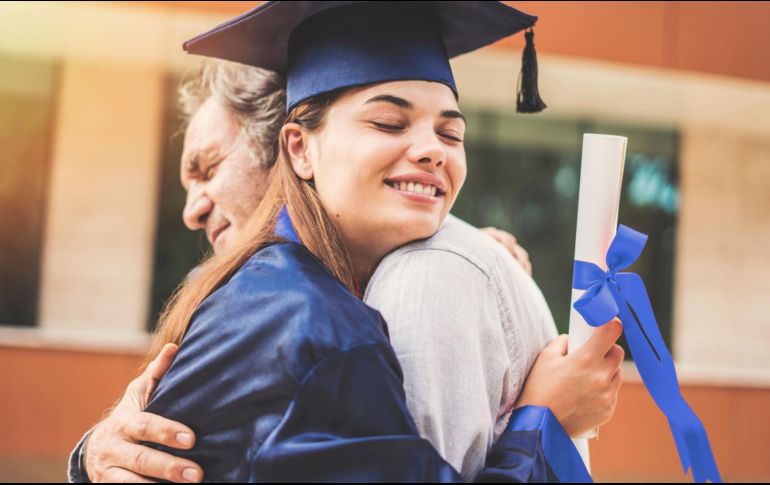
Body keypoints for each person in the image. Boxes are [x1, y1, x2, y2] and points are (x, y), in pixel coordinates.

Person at [70, 2, 624, 482]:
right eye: (388, 123)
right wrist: (543, 421)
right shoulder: (321, 329)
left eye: (451, 133)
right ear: (300, 149)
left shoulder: (266, 296)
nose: (433, 150)